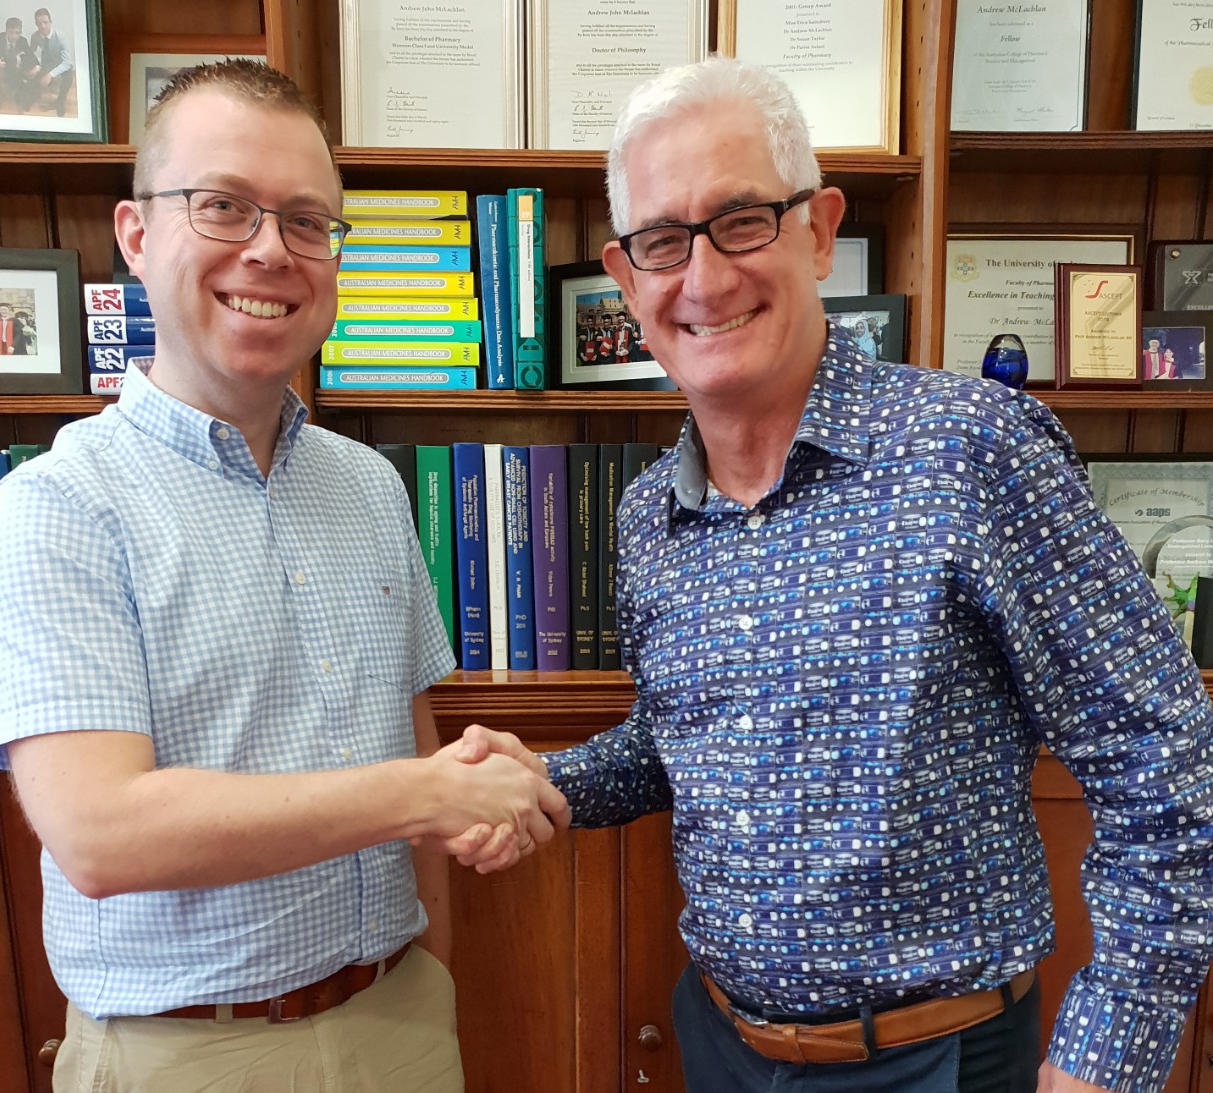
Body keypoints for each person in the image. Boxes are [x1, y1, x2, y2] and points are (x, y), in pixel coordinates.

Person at [464, 56, 1213, 1093]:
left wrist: (1105, 1056)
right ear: (627, 277)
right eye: (663, 241)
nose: (705, 277)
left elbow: (1161, 749)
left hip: (937, 1057)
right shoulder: (648, 512)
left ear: (817, 229)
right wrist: (543, 786)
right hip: (721, 1042)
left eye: (741, 220)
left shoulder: (971, 451)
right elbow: (686, 735)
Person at [0, 58, 568, 1093]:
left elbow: (411, 733)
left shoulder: (372, 486)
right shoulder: (57, 505)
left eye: (307, 220)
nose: (270, 249)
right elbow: (101, 834)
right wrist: (420, 794)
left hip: (401, 1020)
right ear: (137, 235)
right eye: (223, 206)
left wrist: (431, 970)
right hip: (184, 1052)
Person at [19, 7, 73, 117]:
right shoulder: (35, 36)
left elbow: (67, 62)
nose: (42, 26)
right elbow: (31, 53)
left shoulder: (60, 37)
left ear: (50, 22)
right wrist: (32, 68)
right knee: (34, 80)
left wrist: (50, 75)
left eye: (45, 22)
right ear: (36, 24)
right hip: (47, 64)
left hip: (61, 64)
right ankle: (31, 97)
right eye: (39, 23)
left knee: (69, 72)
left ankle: (60, 101)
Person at [0, 15, 35, 112]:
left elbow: (31, 56)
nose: (14, 36)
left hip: (12, 67)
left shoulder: (23, 41)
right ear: (6, 31)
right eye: (11, 32)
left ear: (20, 32)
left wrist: (36, 67)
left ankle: (18, 94)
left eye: (17, 33)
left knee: (20, 81)